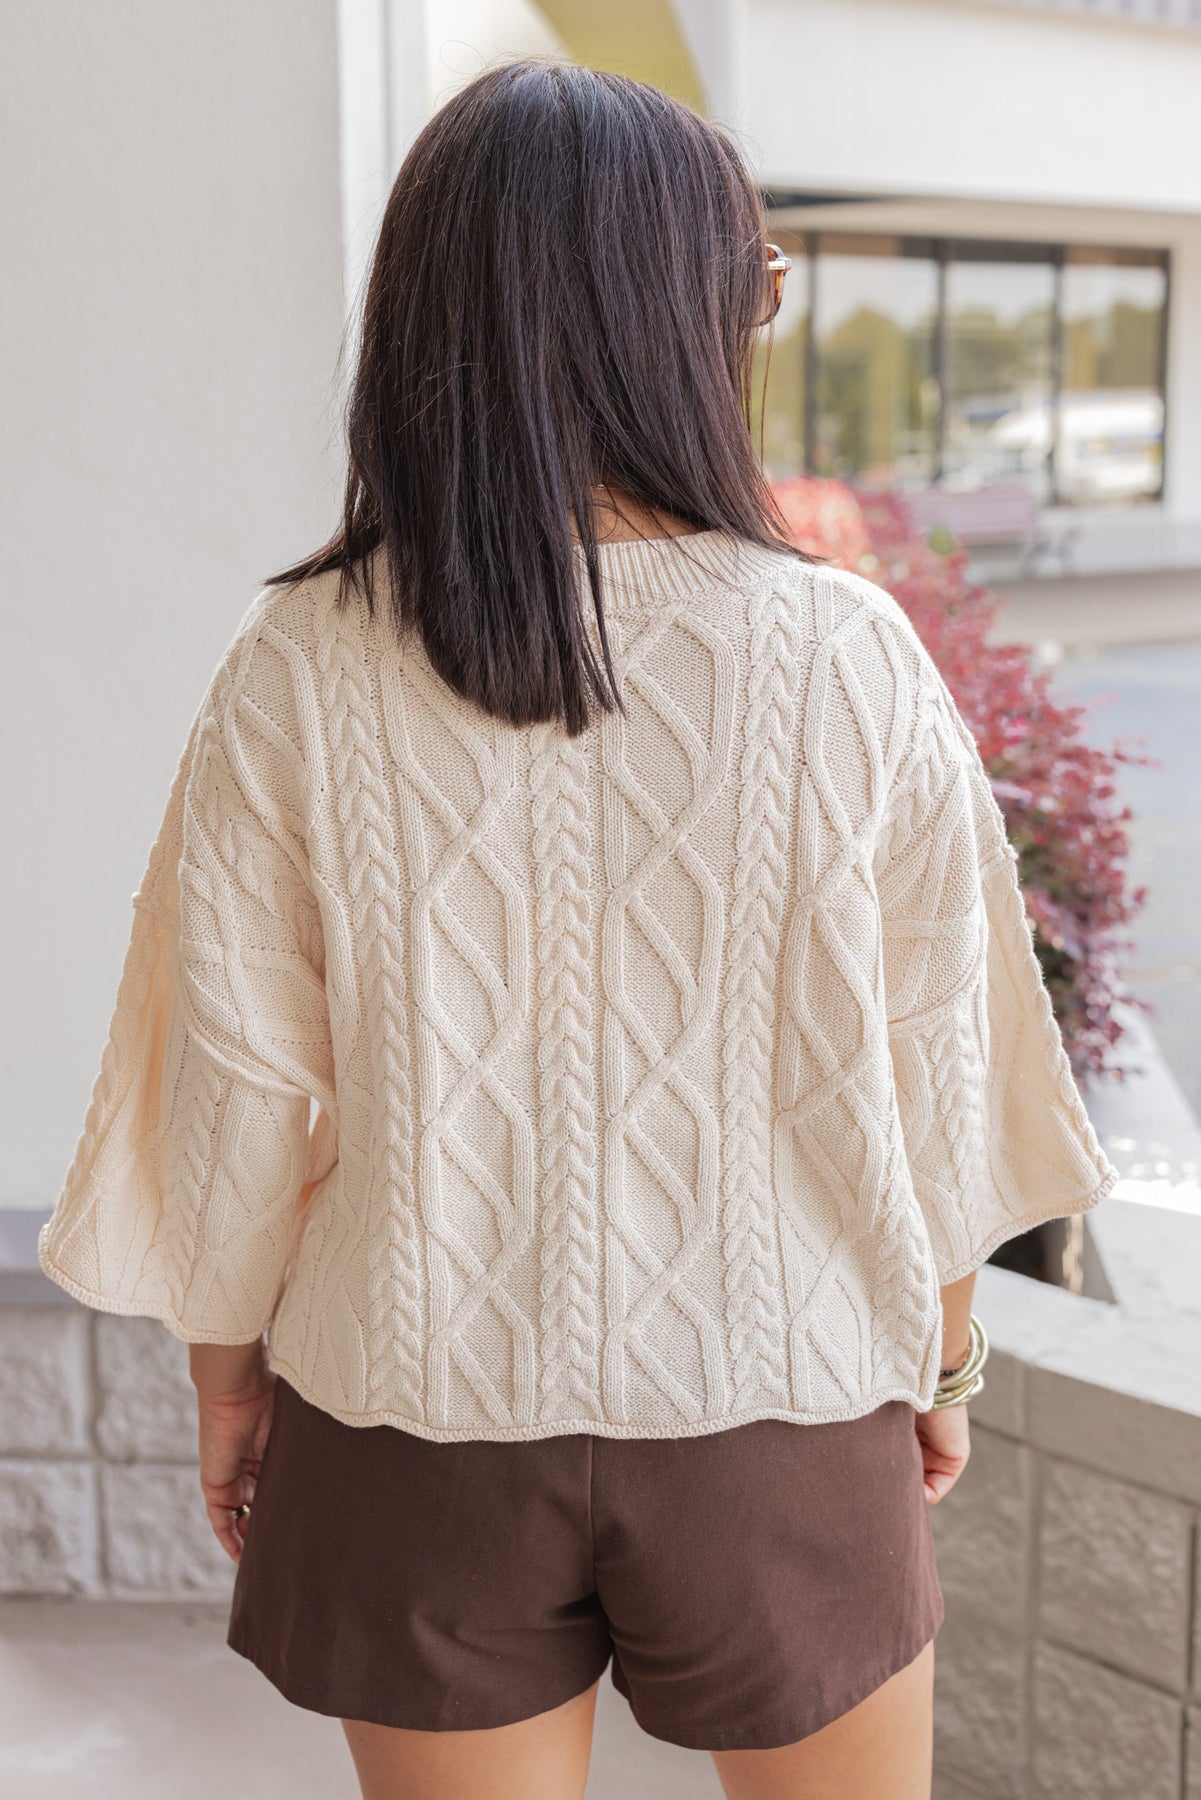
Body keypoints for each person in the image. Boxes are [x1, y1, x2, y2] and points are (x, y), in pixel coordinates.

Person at [38, 56, 1117, 1800]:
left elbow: (235, 1079)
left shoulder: (297, 662)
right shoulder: (845, 656)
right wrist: (938, 1357)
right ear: (678, 317)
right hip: (782, 1413)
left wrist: (228, 1379)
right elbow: (938, 1059)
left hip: (409, 1412)